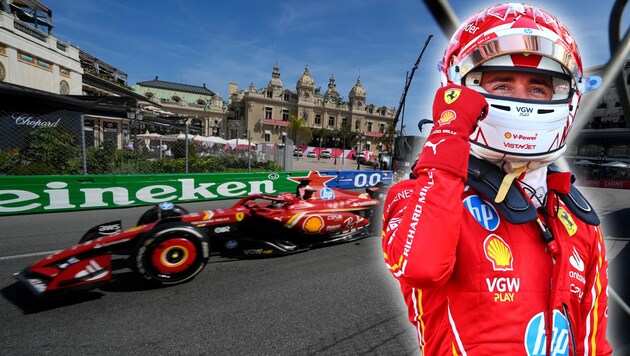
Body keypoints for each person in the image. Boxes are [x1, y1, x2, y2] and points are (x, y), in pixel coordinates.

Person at [382, 3, 611, 355]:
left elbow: (595, 341)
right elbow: (422, 268)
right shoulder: (417, 195)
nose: (522, 100)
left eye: (538, 89)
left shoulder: (580, 219)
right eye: (502, 85)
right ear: (460, 88)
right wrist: (448, 138)